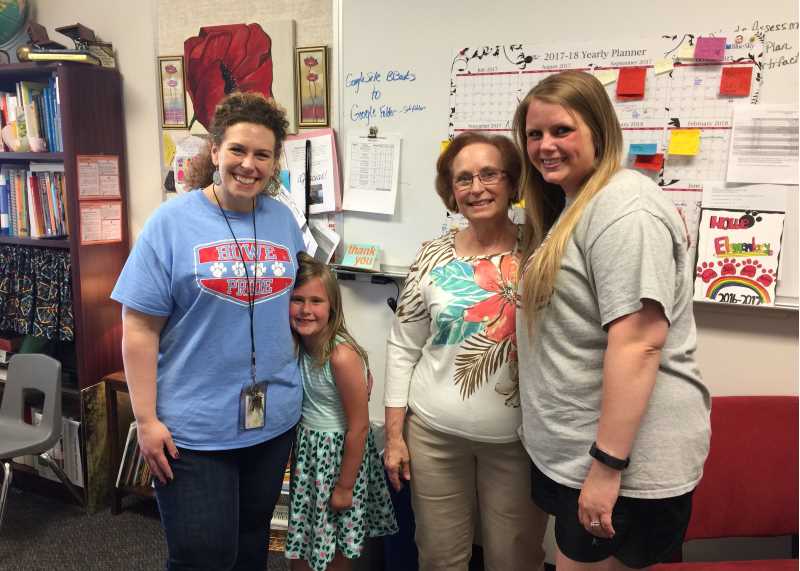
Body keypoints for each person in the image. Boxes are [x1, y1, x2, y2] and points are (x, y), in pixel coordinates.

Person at [512, 70, 711, 571]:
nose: (545, 146)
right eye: (534, 134)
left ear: (599, 130)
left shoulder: (625, 210)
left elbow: (639, 343)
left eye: (562, 130)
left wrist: (606, 467)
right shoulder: (579, 204)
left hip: (621, 467)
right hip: (583, 456)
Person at [111, 92, 305, 570]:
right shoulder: (171, 223)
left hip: (271, 419)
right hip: (193, 430)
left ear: (275, 161)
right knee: (203, 556)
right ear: (215, 151)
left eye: (263, 154)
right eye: (238, 150)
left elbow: (299, 307)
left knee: (250, 544)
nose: (249, 164)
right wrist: (147, 420)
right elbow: (138, 327)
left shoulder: (283, 221)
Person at [383, 131, 548, 571]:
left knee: (515, 557)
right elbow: (403, 345)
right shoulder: (432, 256)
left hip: (519, 442)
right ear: (451, 193)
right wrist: (395, 436)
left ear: (513, 182)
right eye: (463, 179)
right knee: (439, 557)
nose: (477, 188)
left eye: (489, 174)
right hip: (434, 436)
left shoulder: (542, 250)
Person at [284, 252, 397, 571]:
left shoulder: (341, 356)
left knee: (334, 547)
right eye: (298, 299)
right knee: (304, 544)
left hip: (338, 461)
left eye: (316, 301)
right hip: (311, 461)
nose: (306, 309)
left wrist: (345, 486)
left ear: (332, 306)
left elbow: (359, 428)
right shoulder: (300, 346)